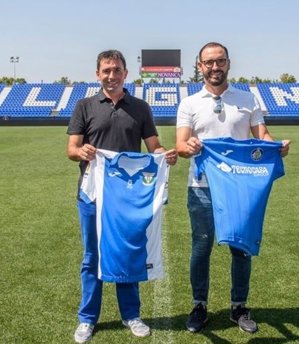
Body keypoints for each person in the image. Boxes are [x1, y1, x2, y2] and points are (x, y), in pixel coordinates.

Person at [175, 42, 290, 334]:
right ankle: (199, 305)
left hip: (241, 187)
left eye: (220, 61)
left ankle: (239, 306)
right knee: (201, 247)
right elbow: (180, 144)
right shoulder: (189, 103)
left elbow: (261, 134)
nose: (215, 67)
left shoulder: (247, 99)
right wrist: (188, 147)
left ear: (228, 63)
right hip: (201, 187)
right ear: (200, 66)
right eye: (209, 62)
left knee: (241, 248)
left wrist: (277, 147)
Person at [66, 49, 177, 343]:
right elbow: (71, 149)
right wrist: (82, 151)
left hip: (127, 196)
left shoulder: (140, 108)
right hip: (92, 195)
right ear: (98, 74)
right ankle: (87, 319)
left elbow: (153, 145)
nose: (111, 75)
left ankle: (131, 315)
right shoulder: (85, 106)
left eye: (116, 70)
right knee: (92, 257)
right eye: (106, 70)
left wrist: (162, 155)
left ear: (126, 74)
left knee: (127, 253)